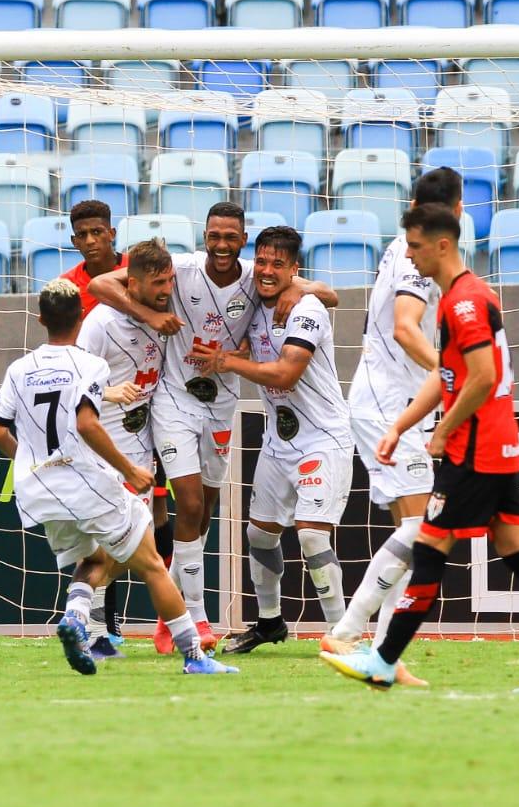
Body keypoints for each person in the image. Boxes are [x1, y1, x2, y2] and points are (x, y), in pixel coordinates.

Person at [322, 204, 519, 692]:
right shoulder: (463, 296)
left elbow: (482, 377)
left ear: (442, 245)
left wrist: (443, 433)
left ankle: (380, 658)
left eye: (416, 246)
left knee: (428, 548)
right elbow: (448, 376)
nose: (410, 255)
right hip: (493, 444)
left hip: (474, 450)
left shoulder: (463, 303)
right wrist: (401, 425)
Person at [88, 203, 337, 653]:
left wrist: (296, 289)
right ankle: (195, 619)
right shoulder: (179, 269)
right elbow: (100, 282)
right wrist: (150, 316)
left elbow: (328, 294)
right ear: (204, 235)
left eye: (231, 237)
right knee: (184, 500)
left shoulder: (255, 277)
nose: (222, 245)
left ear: (242, 240)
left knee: (204, 508)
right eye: (214, 235)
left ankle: (173, 614)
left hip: (222, 404)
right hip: (174, 399)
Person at [0, 280, 236, 676]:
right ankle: (194, 656)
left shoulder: (19, 369)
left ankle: (74, 616)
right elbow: (86, 424)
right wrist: (129, 469)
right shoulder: (90, 364)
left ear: (40, 320)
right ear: (81, 316)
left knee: (93, 558)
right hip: (84, 482)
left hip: (38, 490)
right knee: (152, 562)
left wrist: (31, 463)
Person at [188, 226, 354, 654]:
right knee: (260, 535)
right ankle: (269, 623)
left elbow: (285, 373)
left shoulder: (306, 309)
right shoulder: (256, 299)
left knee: (313, 537)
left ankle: (343, 634)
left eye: (278, 265)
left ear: (294, 269)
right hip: (278, 441)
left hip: (322, 438)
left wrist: (226, 361)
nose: (265, 270)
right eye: (261, 261)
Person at [324, 169, 459, 668]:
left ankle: (381, 653)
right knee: (423, 528)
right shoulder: (416, 262)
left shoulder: (400, 247)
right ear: (457, 212)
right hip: (389, 403)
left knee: (414, 533)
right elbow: (405, 328)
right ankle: (351, 635)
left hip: (387, 399)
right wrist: (450, 372)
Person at [74, 238, 202, 656]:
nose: (167, 288)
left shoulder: (167, 312)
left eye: (170, 280)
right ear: (134, 283)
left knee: (129, 549)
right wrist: (109, 393)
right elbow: (75, 386)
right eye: (158, 282)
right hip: (105, 448)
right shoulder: (102, 323)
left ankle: (88, 625)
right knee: (122, 549)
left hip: (144, 444)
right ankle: (90, 627)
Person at [58, 198, 154, 647]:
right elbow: (63, 353)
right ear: (74, 240)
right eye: (84, 235)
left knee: (167, 515)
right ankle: (99, 627)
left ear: (113, 233)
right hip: (100, 413)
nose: (92, 240)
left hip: (156, 407)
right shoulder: (66, 287)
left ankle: (164, 622)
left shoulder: (143, 267)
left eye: (100, 232)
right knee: (109, 524)